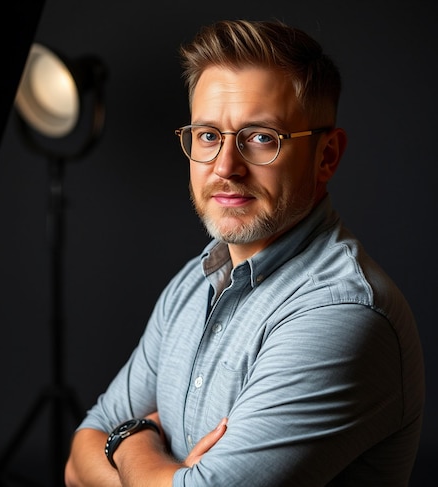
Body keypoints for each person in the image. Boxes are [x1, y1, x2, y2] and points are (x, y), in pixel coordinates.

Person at [64, 19, 425, 486]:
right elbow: (78, 458)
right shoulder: (192, 286)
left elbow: (105, 444)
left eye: (261, 137)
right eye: (208, 135)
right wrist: (163, 471)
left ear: (327, 156)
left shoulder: (342, 314)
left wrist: (131, 439)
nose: (226, 167)